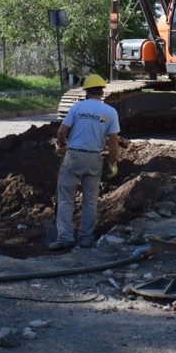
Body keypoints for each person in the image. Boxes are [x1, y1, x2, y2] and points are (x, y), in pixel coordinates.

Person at [50, 74, 120, 250]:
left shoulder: (77, 108)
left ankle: (65, 237)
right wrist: (112, 164)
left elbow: (61, 132)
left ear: (86, 91)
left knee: (66, 199)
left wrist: (62, 146)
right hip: (95, 158)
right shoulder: (110, 112)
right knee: (90, 201)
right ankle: (86, 238)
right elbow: (113, 142)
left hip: (74, 157)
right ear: (102, 92)